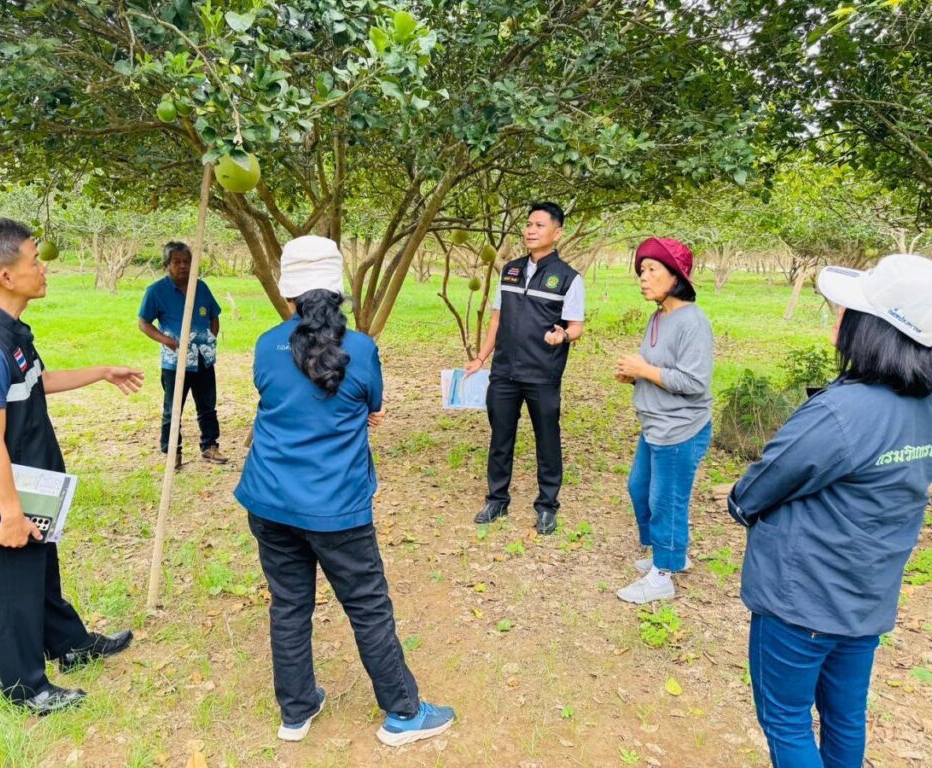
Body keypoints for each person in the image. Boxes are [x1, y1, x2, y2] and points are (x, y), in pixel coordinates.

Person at [234, 235, 455, 746]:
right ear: (338, 291)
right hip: (336, 510)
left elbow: (277, 396)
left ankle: (296, 710)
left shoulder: (268, 344)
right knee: (368, 607)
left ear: (288, 292)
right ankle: (403, 712)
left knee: (288, 604)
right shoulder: (360, 348)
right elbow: (371, 403)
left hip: (269, 500)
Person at [728, 253, 932, 768]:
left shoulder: (845, 411)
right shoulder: (922, 406)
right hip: (864, 599)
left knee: (787, 718)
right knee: (845, 716)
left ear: (874, 330)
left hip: (803, 601)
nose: (837, 317)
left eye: (849, 311)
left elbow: (761, 485)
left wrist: (739, 503)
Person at [0, 218, 144, 714]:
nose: (44, 268)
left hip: (29, 484)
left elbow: (35, 382)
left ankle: (70, 646)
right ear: (7, 276)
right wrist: (11, 516)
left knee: (39, 569)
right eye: (35, 260)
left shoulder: (9, 332)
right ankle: (25, 687)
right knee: (11, 590)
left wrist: (101, 372)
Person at [464, 202, 585, 535]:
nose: (531, 230)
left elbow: (577, 326)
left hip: (542, 373)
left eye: (539, 225)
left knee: (547, 440)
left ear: (557, 233)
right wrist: (481, 357)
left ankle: (547, 505)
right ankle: (497, 499)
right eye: (528, 224)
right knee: (500, 437)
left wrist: (563, 335)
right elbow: (497, 318)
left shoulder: (569, 278)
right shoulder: (511, 270)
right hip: (505, 372)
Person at [614, 238, 713, 604]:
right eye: (642, 270)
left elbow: (694, 381)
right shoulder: (659, 316)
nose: (643, 277)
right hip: (655, 424)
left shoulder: (693, 322)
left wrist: (646, 370)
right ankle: (669, 553)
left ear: (676, 277)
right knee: (639, 489)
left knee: (667, 500)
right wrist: (637, 374)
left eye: (652, 270)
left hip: (680, 429)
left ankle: (664, 575)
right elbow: (658, 367)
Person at [138, 241, 227, 466]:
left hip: (203, 359)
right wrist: (166, 341)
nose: (183, 266)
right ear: (167, 264)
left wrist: (211, 337)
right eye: (177, 262)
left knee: (207, 406)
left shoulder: (201, 287)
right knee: (173, 408)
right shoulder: (156, 291)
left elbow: (214, 315)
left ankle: (210, 447)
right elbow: (143, 323)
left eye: (187, 262)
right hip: (175, 362)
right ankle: (172, 452)